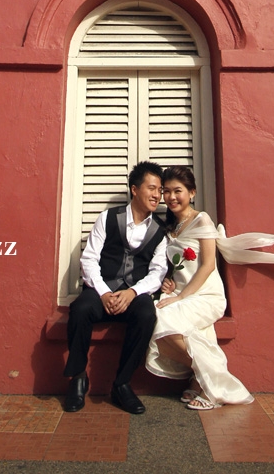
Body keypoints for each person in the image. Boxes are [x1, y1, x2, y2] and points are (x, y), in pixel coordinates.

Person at [146, 166, 274, 410]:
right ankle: (204, 375)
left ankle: (212, 381)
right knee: (153, 322)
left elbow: (208, 265)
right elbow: (180, 266)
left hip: (205, 295)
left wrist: (182, 297)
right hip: (180, 293)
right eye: (166, 191)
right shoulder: (171, 228)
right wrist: (170, 282)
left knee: (163, 320)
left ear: (192, 192)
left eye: (177, 191)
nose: (171, 197)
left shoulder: (202, 219)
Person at [63, 161, 167, 415]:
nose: (157, 195)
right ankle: (78, 377)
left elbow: (157, 272)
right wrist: (104, 293)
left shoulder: (160, 231)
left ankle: (122, 384)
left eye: (160, 190)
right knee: (80, 309)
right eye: (152, 188)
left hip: (134, 294)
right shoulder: (108, 218)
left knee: (146, 314)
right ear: (135, 189)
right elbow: (89, 259)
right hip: (103, 290)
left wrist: (132, 293)